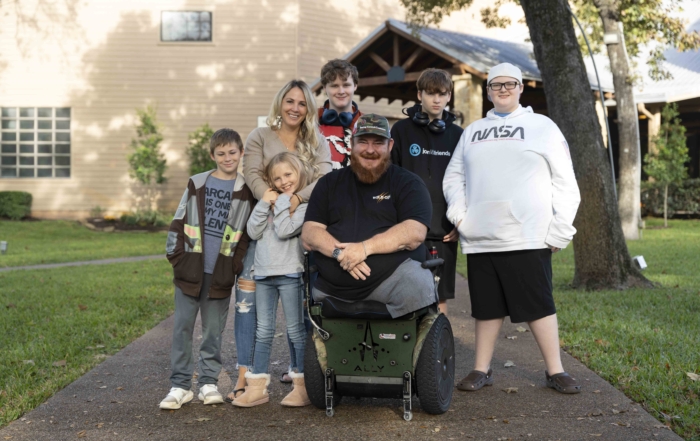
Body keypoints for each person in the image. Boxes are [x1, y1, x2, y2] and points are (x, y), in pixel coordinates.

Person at [443, 62, 582, 394]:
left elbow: (566, 181)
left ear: (521, 88)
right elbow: (453, 177)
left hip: (528, 235)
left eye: (510, 84)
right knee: (486, 308)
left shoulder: (542, 126)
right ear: (488, 91)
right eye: (496, 85)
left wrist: (561, 229)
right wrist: (461, 216)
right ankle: (481, 369)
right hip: (482, 238)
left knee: (538, 305)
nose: (503, 89)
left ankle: (555, 370)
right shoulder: (473, 132)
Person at [242, 79, 331, 388]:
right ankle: (249, 376)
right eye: (290, 101)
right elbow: (251, 172)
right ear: (280, 103)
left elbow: (324, 177)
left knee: (304, 309)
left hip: (305, 226)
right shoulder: (260, 136)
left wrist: (295, 198)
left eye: (302, 103)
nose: (295, 108)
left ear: (309, 108)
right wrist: (271, 197)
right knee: (256, 315)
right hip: (266, 229)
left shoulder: (317, 140)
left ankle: (305, 374)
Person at [301, 114, 436, 317]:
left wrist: (364, 249)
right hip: (334, 289)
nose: (370, 150)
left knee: (419, 284)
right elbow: (310, 233)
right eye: (362, 141)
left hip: (395, 284)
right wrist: (342, 254)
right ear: (351, 144)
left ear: (390, 145)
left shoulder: (408, 183)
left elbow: (414, 232)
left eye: (378, 143)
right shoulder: (328, 183)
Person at [160, 128, 255, 410]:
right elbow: (179, 222)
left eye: (233, 152)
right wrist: (177, 258)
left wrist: (235, 266)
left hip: (221, 273)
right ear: (212, 155)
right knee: (183, 328)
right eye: (221, 153)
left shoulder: (246, 190)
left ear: (241, 153)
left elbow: (246, 236)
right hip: (189, 269)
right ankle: (180, 386)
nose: (227, 158)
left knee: (213, 331)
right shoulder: (197, 183)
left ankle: (208, 383)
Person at [232, 153, 312, 407]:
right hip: (264, 274)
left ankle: (302, 386)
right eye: (277, 178)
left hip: (290, 274)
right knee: (263, 331)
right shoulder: (270, 203)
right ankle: (257, 388)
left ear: (299, 173)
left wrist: (282, 202)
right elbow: (254, 230)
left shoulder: (302, 206)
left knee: (296, 331)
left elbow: (285, 229)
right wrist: (263, 203)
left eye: (288, 174)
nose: (283, 181)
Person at [391, 68, 463, 316]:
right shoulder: (400, 131)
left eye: (441, 94)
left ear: (449, 96)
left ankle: (437, 348)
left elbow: (466, 182)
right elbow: (391, 178)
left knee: (440, 297)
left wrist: (460, 221)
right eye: (430, 93)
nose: (436, 99)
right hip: (408, 228)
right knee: (407, 292)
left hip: (444, 231)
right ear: (419, 94)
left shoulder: (458, 135)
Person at [317, 59, 363, 170]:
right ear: (324, 87)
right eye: (334, 86)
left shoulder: (367, 122)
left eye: (346, 85)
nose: (341, 91)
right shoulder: (310, 119)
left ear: (355, 86)